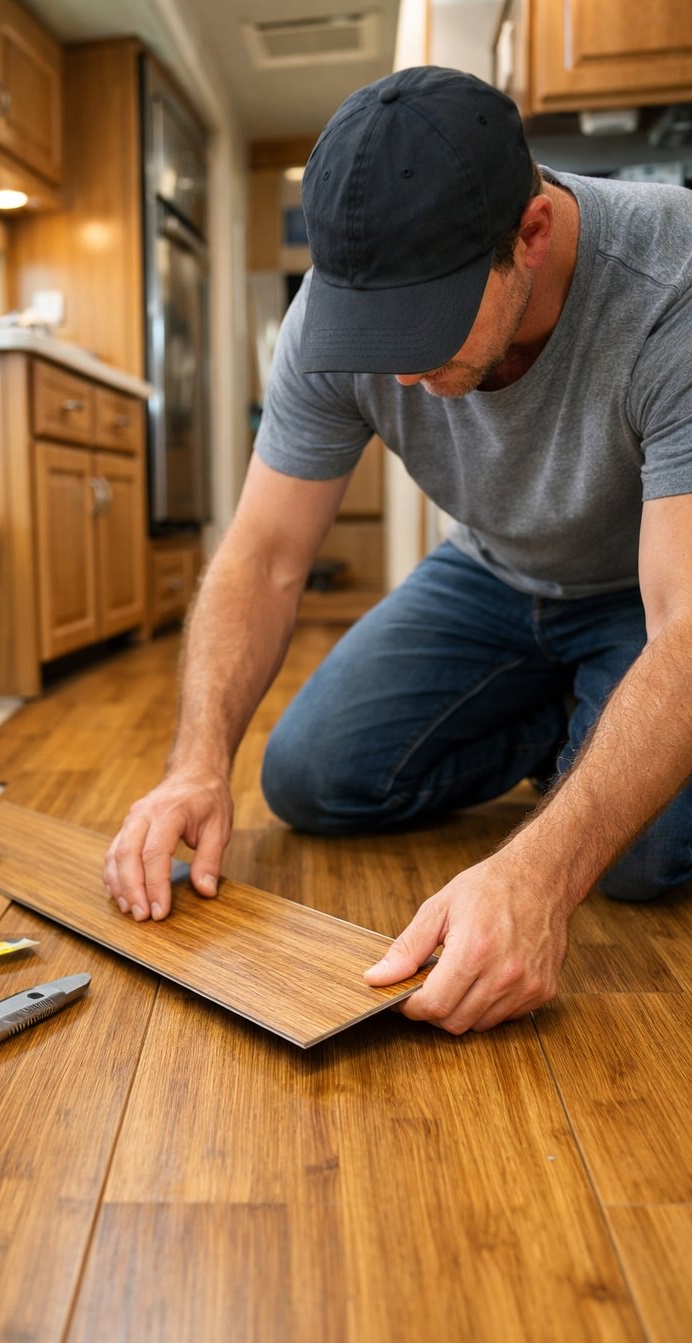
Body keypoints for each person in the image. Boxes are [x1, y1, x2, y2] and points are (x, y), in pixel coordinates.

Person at [104, 65, 692, 1035]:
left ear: (530, 236)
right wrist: (195, 766)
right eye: (376, 330)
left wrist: (537, 877)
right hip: (490, 575)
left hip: (644, 592)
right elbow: (261, 556)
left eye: (427, 328)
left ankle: (598, 727)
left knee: (634, 862)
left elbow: (682, 624)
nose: (405, 370)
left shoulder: (671, 283)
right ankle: (574, 727)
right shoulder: (324, 327)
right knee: (309, 778)